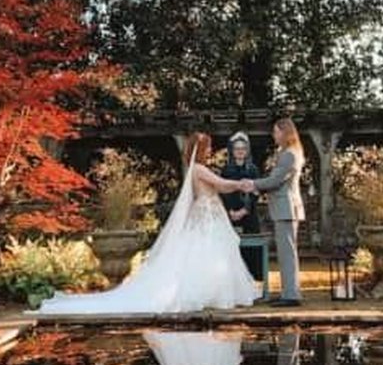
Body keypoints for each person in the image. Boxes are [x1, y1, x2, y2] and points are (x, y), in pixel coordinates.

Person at [39, 132, 257, 316]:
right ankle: (206, 293)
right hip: (208, 214)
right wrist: (243, 184)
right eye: (207, 148)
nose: (210, 151)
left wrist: (237, 185)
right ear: (200, 150)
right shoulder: (199, 169)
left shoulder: (198, 169)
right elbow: (221, 184)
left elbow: (219, 187)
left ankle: (213, 292)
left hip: (210, 214)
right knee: (204, 253)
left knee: (209, 253)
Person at [253, 118, 305, 307]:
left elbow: (275, 181)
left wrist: (252, 184)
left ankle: (291, 295)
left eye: (276, 132)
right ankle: (288, 291)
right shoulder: (288, 153)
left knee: (287, 254)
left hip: (287, 209)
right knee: (285, 253)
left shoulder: (289, 155)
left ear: (285, 133)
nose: (273, 135)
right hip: (285, 209)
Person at [220, 132, 262, 280]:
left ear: (247, 150)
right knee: (232, 250)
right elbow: (223, 192)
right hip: (231, 216)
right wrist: (231, 210)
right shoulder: (225, 170)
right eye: (237, 148)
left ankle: (254, 281)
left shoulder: (253, 170)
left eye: (243, 148)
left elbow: (256, 193)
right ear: (232, 150)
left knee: (251, 251)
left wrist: (244, 210)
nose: (240, 151)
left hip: (249, 215)